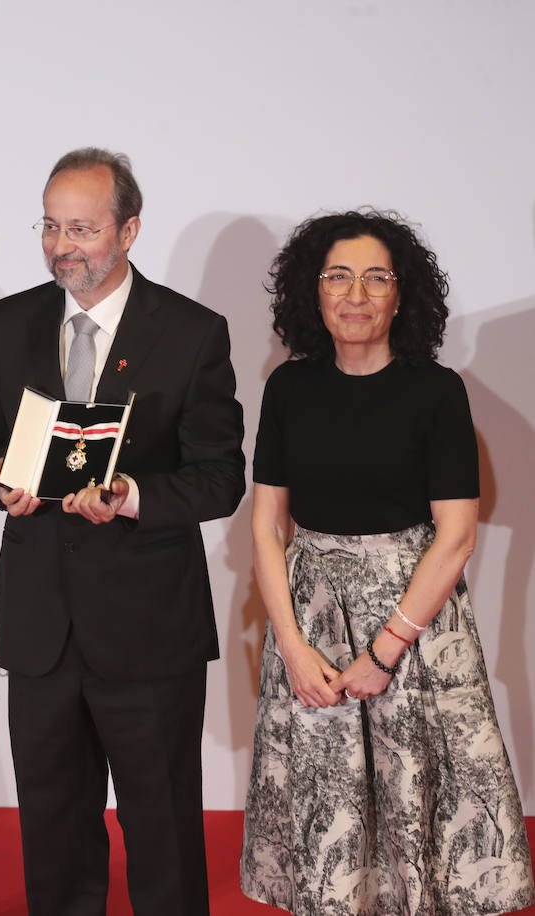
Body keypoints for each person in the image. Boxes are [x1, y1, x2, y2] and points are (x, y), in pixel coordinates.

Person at [0, 148, 245, 915]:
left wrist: (131, 494)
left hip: (149, 628)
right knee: (52, 827)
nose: (62, 247)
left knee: (163, 829)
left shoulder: (190, 331)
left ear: (130, 231)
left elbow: (220, 476)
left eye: (82, 228)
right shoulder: (12, 319)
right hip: (41, 621)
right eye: (50, 226)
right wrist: (2, 483)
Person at [240, 210, 534, 914]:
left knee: (420, 809)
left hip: (417, 622)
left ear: (404, 296)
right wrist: (290, 645)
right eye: (338, 276)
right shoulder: (288, 388)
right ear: (312, 293)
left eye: (377, 278)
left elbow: (456, 534)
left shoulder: (435, 390)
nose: (356, 294)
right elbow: (264, 523)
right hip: (311, 625)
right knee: (330, 823)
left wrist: (386, 647)